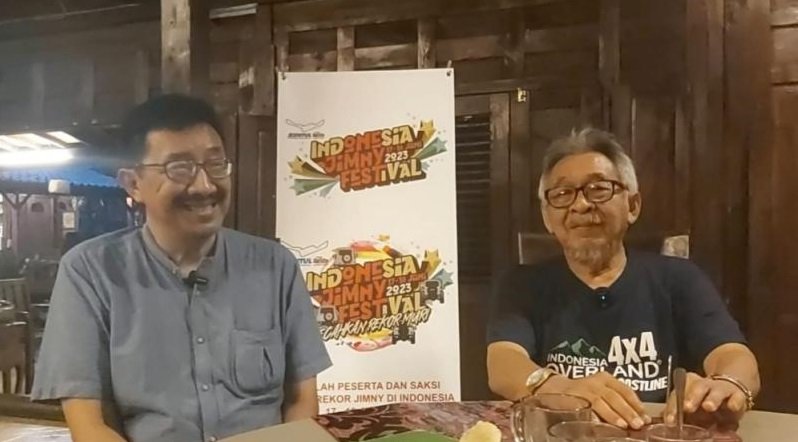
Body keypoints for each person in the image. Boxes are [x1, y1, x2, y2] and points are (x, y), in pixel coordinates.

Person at [32, 94, 332, 442]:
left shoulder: (275, 267)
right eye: (180, 168)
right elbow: (89, 425)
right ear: (133, 184)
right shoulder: (90, 273)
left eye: (216, 164)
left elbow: (301, 400)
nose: (205, 185)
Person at [486, 128, 760, 431]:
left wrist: (726, 384)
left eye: (598, 189)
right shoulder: (522, 284)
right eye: (562, 194)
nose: (581, 205)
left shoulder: (680, 278)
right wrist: (559, 388)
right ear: (548, 217)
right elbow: (503, 363)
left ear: (632, 206)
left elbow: (733, 355)